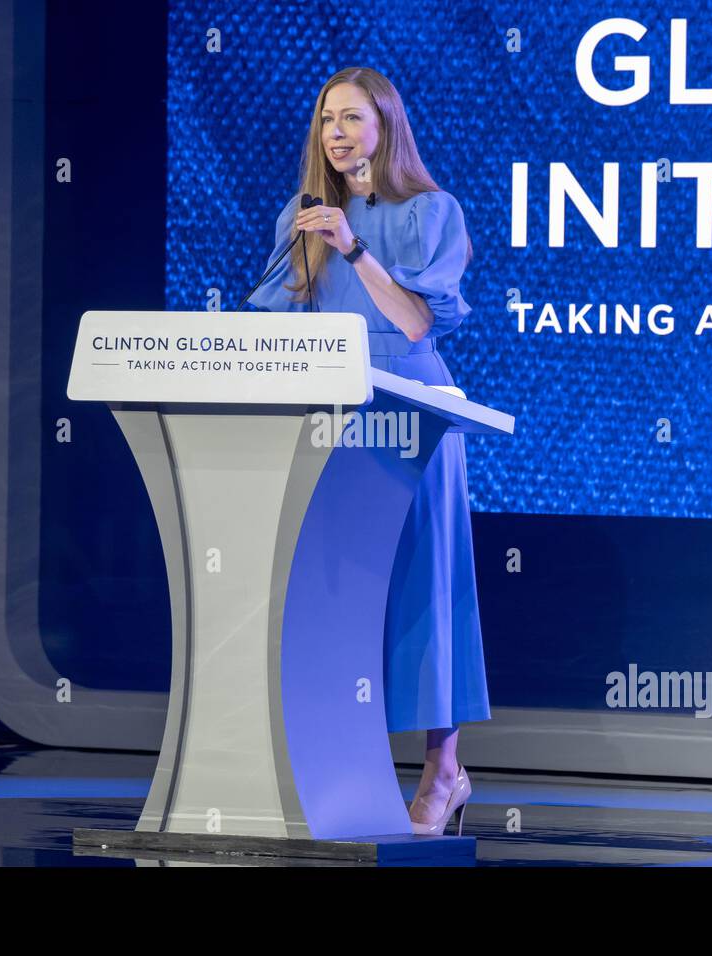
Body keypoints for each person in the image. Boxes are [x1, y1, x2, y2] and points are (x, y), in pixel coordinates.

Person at [247, 67, 488, 836]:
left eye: (353, 117)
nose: (338, 133)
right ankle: (338, 760)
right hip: (330, 419)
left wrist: (352, 248)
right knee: (337, 592)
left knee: (421, 588)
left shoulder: (430, 212)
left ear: (386, 126)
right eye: (326, 120)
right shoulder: (305, 213)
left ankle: (443, 772)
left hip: (411, 419)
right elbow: (275, 309)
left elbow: (418, 323)